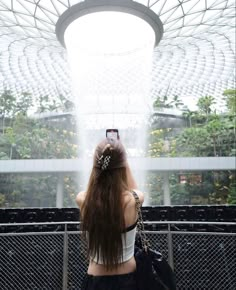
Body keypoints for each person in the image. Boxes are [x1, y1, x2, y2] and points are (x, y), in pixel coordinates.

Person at [76, 138, 144, 290]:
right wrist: (122, 160)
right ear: (123, 165)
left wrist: (100, 167)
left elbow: (94, 186)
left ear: (96, 166)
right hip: (129, 281)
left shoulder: (83, 199)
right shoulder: (133, 200)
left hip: (96, 281)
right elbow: (133, 188)